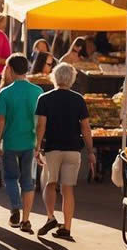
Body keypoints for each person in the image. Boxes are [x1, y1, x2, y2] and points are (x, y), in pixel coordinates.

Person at [34, 63, 95, 240]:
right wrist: (90, 151)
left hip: (52, 148)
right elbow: (86, 128)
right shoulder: (78, 99)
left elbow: (41, 126)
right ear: (72, 79)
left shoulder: (44, 99)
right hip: (73, 149)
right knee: (68, 189)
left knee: (50, 184)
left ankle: (51, 217)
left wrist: (37, 147)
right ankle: (67, 228)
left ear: (54, 77)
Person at [0, 54, 43, 233]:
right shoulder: (37, 91)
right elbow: (41, 121)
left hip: (11, 143)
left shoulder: (5, 93)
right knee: (28, 182)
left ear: (11, 70)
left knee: (11, 178)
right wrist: (39, 144)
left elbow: (0, 120)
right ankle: (26, 219)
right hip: (30, 142)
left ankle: (15, 208)